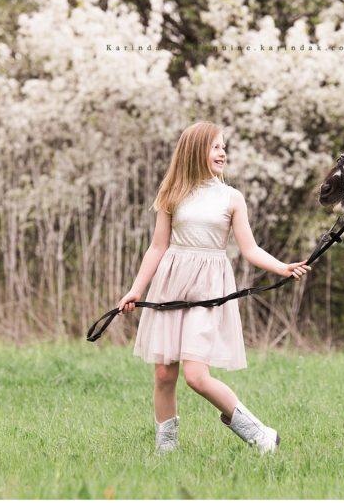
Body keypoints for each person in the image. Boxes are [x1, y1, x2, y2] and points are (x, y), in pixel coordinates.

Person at [118, 121, 311, 454]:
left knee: (195, 375)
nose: (222, 152)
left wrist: (282, 266)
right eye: (215, 146)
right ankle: (166, 452)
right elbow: (157, 246)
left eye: (224, 147)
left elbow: (249, 249)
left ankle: (260, 434)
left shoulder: (231, 198)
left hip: (208, 290)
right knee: (164, 373)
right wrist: (136, 289)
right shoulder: (171, 192)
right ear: (195, 150)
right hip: (171, 283)